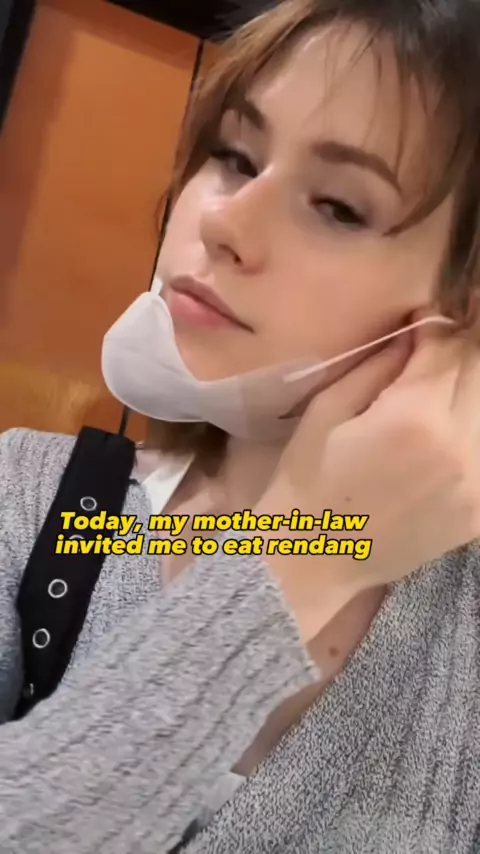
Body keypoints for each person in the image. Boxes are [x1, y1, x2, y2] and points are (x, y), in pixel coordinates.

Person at [2, 0, 480, 850]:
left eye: (338, 206)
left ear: (465, 316)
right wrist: (298, 564)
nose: (222, 221)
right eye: (234, 156)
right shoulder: (27, 497)